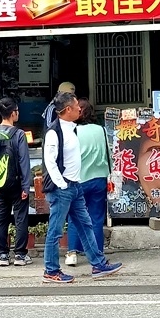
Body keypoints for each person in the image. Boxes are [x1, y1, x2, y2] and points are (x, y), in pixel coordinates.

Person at [42, 92, 122, 283]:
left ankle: (98, 264)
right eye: (76, 105)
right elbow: (49, 162)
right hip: (63, 188)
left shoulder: (73, 129)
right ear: (68, 109)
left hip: (75, 186)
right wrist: (61, 185)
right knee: (55, 230)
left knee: (86, 226)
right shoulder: (54, 132)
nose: (80, 108)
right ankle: (51, 270)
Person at [0, 97, 32, 267]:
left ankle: (2, 255)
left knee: (0, 219)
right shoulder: (18, 134)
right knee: (20, 218)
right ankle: (20, 255)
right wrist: (26, 185)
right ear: (12, 113)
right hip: (16, 184)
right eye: (17, 111)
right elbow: (24, 162)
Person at [65, 98, 111, 266]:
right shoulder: (101, 130)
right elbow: (109, 154)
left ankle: (72, 253)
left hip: (79, 180)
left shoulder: (73, 131)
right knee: (96, 218)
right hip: (100, 178)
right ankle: (97, 253)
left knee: (74, 216)